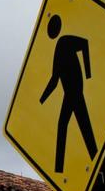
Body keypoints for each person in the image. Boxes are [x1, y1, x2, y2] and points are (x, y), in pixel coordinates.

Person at [39, 14, 96, 174]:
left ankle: (59, 168)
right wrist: (41, 100)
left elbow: (84, 44)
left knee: (66, 125)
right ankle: (93, 158)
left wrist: (88, 72)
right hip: (70, 93)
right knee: (83, 128)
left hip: (75, 91)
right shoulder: (58, 49)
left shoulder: (65, 41)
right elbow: (54, 80)